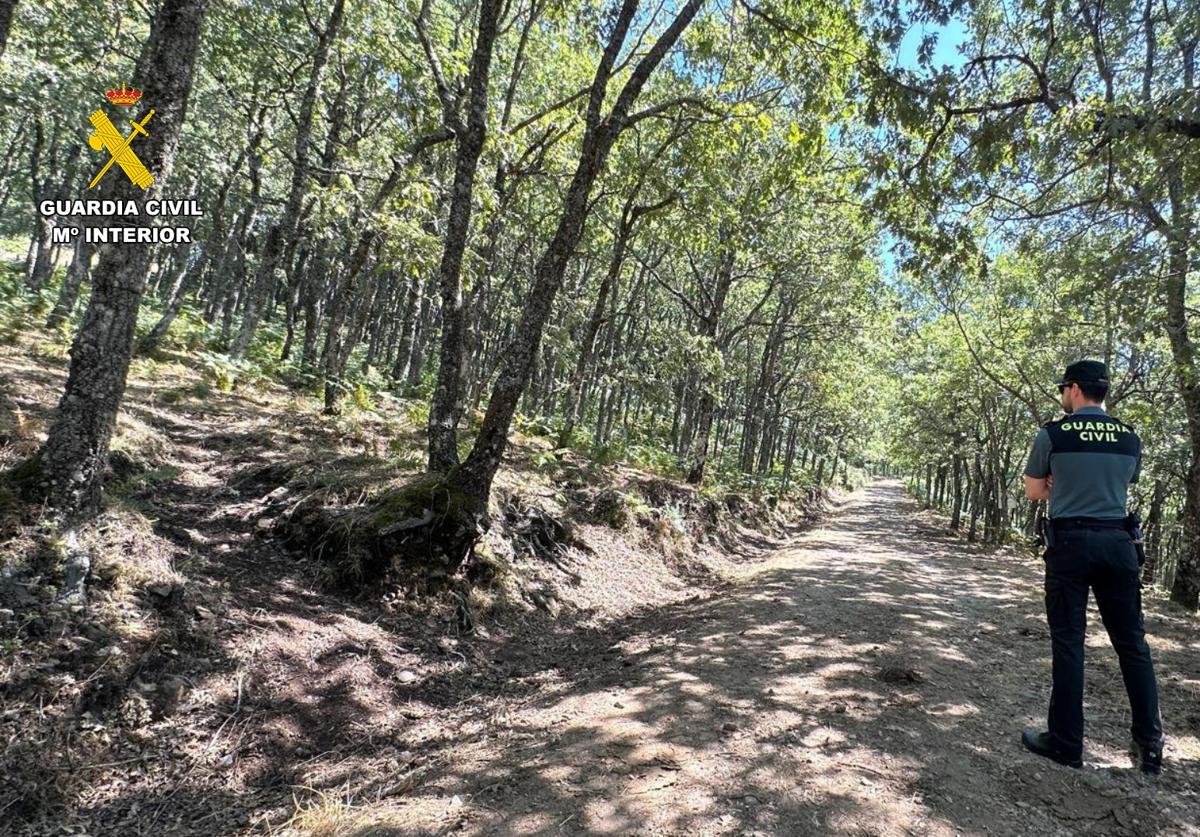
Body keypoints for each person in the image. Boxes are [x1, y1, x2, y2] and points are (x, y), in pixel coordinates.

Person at [1021, 360, 1163, 774]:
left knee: (1069, 642)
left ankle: (1067, 743)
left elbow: (1033, 491)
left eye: (1064, 388)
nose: (1062, 395)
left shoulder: (1052, 434)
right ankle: (1150, 747)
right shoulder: (1129, 437)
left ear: (1077, 389)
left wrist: (1057, 484)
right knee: (1133, 645)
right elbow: (1121, 484)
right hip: (1119, 543)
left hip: (1069, 544)